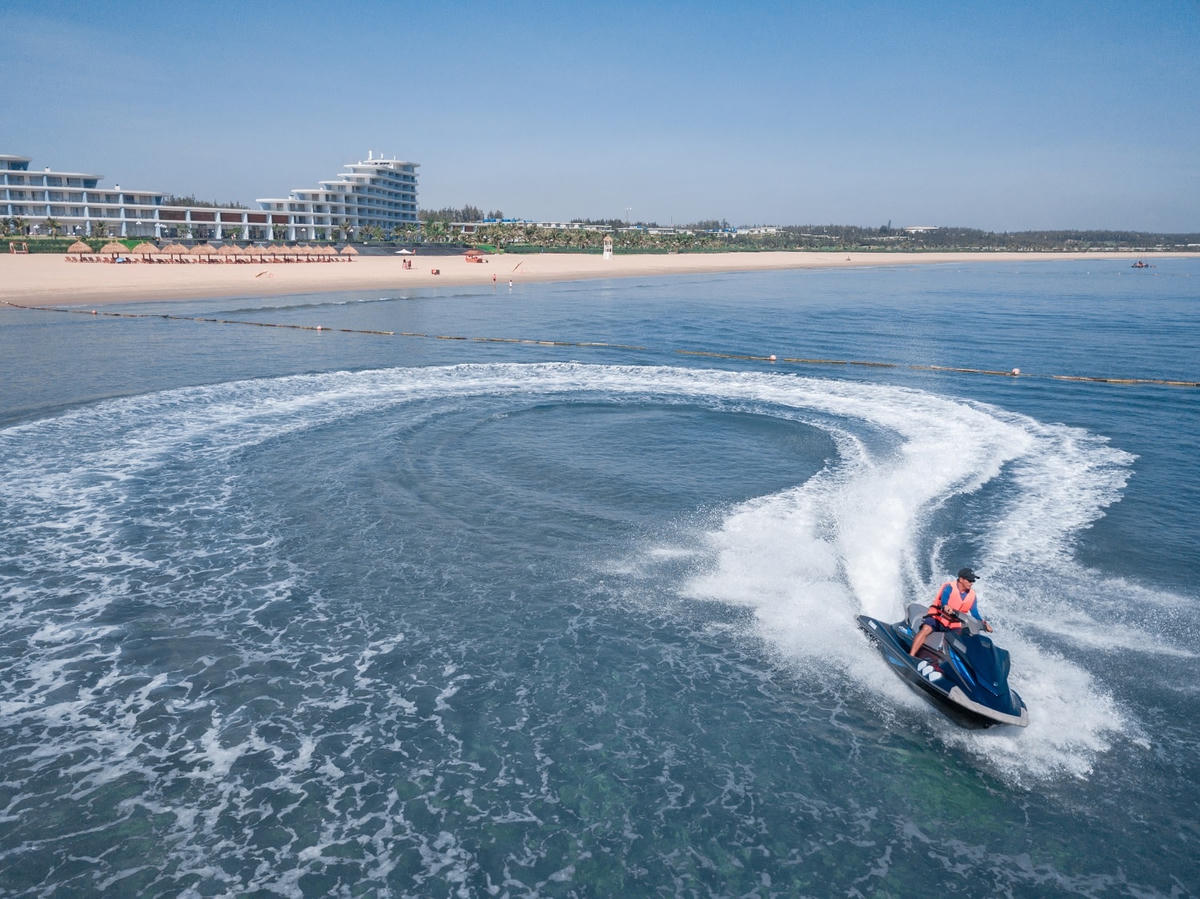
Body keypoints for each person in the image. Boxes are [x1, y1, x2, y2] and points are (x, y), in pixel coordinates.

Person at [908, 567, 992, 657]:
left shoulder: (972, 595)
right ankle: (911, 656)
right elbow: (944, 600)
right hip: (938, 618)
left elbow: (975, 613)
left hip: (954, 625)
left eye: (973, 581)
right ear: (961, 579)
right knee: (926, 629)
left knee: (961, 643)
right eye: (969, 580)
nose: (972, 583)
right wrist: (946, 606)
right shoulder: (949, 587)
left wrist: (983, 623)